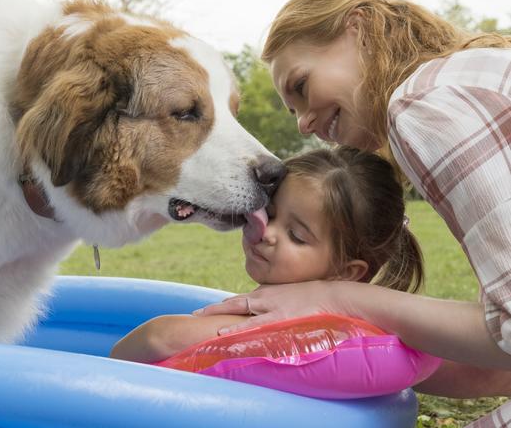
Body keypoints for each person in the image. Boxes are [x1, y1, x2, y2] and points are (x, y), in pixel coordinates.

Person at [194, 0, 511, 425]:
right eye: (292, 110)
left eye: (301, 86)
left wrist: (339, 298)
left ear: (357, 27)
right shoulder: (467, 74)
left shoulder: (423, 105)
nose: (304, 124)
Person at [110, 146, 424, 363]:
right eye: (269, 214)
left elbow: (158, 338)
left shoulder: (308, 326)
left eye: (297, 236)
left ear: (347, 272)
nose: (268, 233)